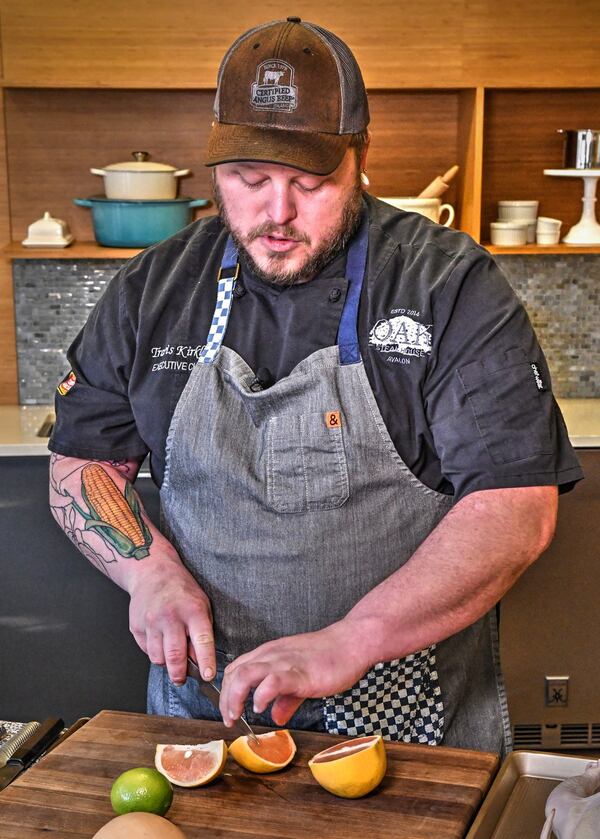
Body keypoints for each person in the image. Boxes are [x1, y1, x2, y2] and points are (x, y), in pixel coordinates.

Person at [49, 17, 582, 754]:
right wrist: (148, 573)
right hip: (208, 713)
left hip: (405, 722)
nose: (275, 213)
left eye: (308, 182)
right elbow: (83, 464)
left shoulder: (447, 284)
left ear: (360, 157)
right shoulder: (154, 288)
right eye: (249, 179)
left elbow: (515, 508)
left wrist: (350, 640)